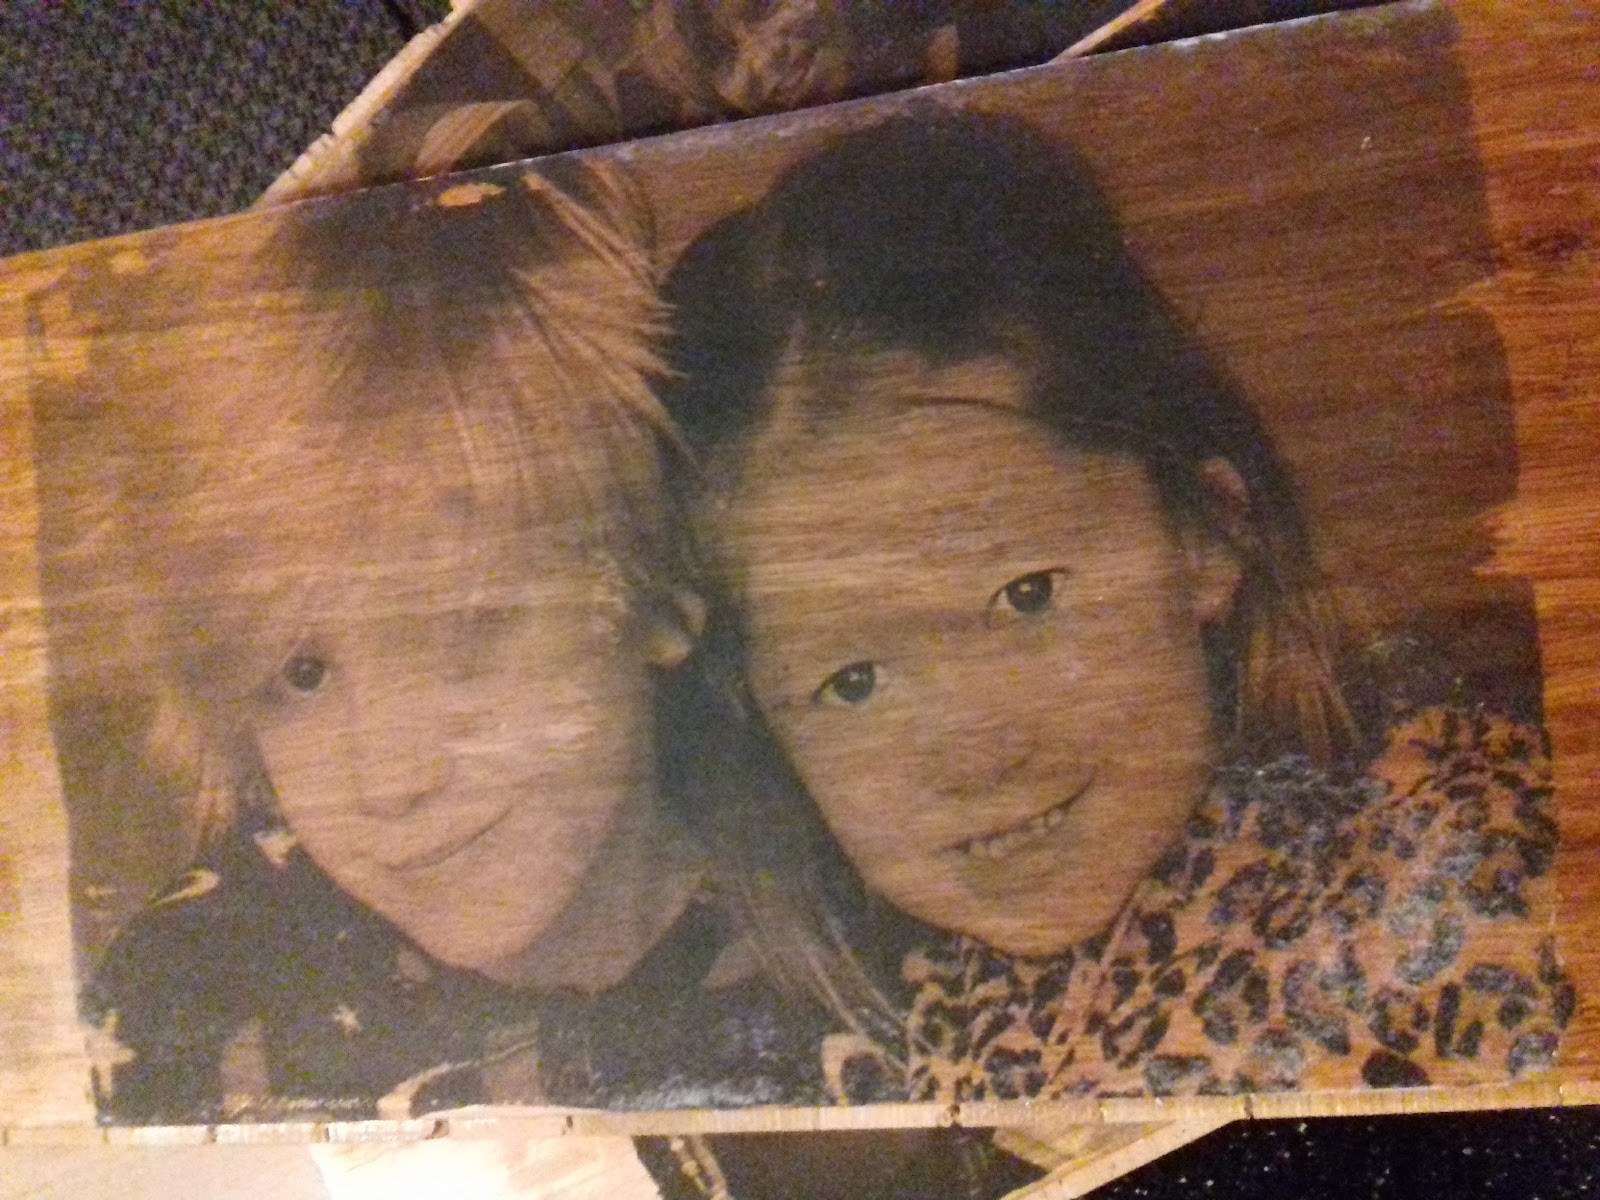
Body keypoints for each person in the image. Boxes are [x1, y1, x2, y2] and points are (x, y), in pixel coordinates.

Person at [655, 109, 1572, 1102]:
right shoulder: (901, 1023)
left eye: (1026, 596)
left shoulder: (1464, 886)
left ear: (1205, 533)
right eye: (854, 681)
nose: (975, 753)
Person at [29, 159, 825, 1123]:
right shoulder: (180, 1004)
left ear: (654, 590)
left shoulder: (863, 907)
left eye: (463, 629)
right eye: (302, 674)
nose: (391, 780)